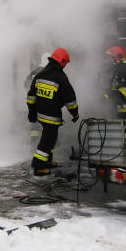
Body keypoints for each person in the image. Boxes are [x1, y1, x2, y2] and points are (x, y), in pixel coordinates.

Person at [26, 47, 79, 176]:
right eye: (65, 63)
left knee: (50, 139)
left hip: (40, 114)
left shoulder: (40, 75)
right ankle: (38, 166)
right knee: (47, 142)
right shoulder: (60, 77)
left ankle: (47, 162)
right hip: (52, 117)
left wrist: (32, 113)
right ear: (61, 61)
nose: (65, 65)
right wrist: (75, 114)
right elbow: (70, 100)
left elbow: (30, 96)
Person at [104, 46, 126, 119]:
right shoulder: (118, 70)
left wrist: (111, 95)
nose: (108, 60)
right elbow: (114, 87)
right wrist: (105, 95)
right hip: (119, 110)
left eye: (110, 58)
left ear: (117, 57)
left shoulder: (124, 70)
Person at [24, 52, 50, 146]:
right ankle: (44, 147)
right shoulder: (49, 72)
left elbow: (26, 83)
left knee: (34, 126)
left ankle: (33, 146)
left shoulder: (35, 71)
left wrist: (31, 92)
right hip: (46, 103)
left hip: (34, 103)